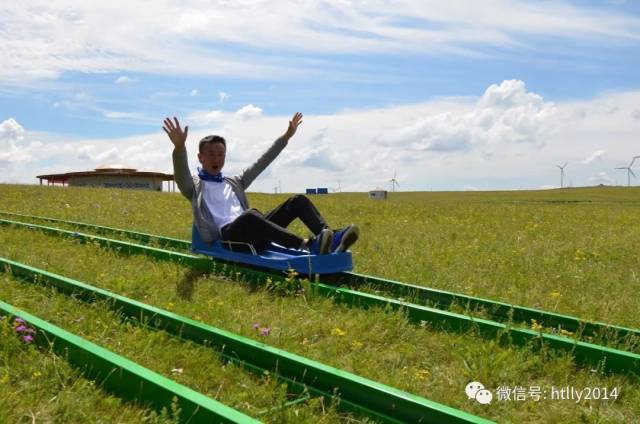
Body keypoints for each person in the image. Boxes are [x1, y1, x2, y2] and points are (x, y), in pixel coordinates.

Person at [162, 112, 358, 255]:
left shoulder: (234, 182)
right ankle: (307, 245)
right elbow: (181, 175)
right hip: (232, 237)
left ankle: (331, 238)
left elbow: (262, 162)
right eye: (211, 154)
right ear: (200, 157)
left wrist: (286, 137)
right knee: (249, 217)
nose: (216, 159)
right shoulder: (195, 187)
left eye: (220, 154)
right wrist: (179, 148)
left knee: (297, 201)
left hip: (255, 228)